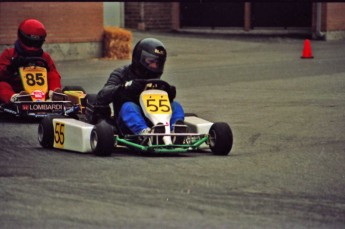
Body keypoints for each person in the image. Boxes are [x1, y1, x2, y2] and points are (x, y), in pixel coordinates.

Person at [92, 38, 185, 139]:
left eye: (158, 62)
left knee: (176, 106)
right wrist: (125, 87)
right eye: (151, 61)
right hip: (127, 122)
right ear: (138, 57)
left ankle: (175, 132)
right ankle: (144, 133)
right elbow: (102, 95)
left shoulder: (156, 78)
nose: (154, 66)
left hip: (155, 122)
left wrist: (169, 92)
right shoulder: (121, 74)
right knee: (129, 106)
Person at [0, 18, 62, 103]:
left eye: (35, 42)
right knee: (2, 84)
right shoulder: (9, 54)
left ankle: (54, 95)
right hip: (17, 90)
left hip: (42, 92)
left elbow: (54, 74)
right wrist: (11, 68)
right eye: (29, 41)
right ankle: (17, 99)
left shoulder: (45, 57)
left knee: (53, 74)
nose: (32, 46)